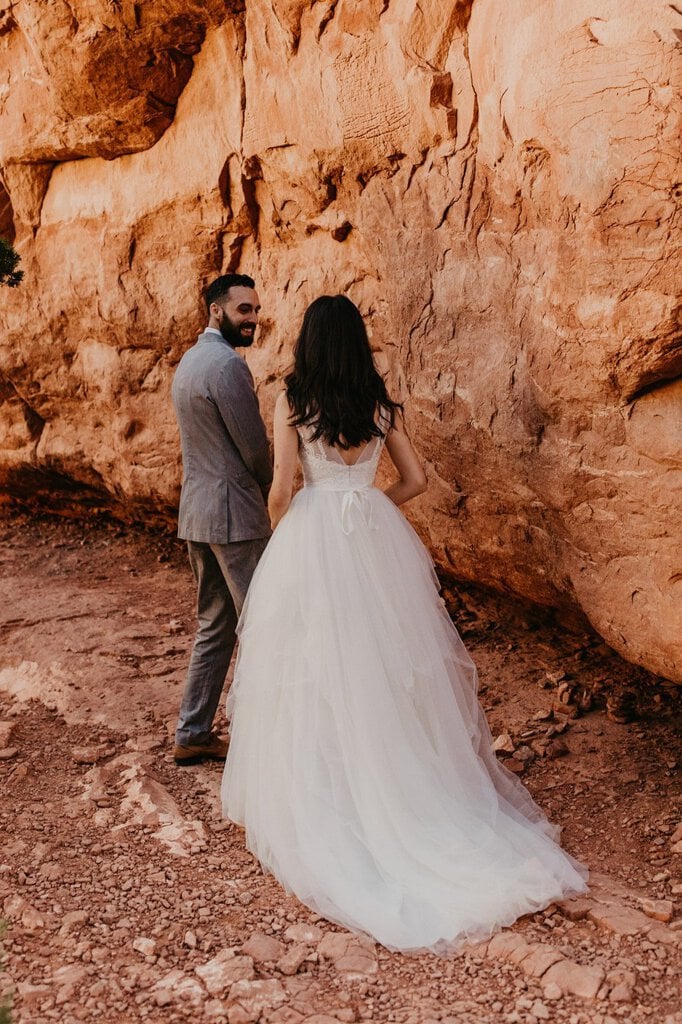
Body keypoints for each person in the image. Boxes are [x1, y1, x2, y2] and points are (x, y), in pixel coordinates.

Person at [221, 295, 588, 952]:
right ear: (356, 343)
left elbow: (282, 488)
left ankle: (330, 798)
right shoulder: (378, 402)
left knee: (312, 667)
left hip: (314, 542)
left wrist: (292, 531)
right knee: (389, 668)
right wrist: (369, 505)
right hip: (371, 535)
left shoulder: (294, 401)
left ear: (310, 343)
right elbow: (417, 479)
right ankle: (412, 789)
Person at [172, 274, 272, 766]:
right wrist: (276, 487)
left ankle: (192, 732)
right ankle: (265, 737)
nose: (253, 319)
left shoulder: (189, 362)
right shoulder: (228, 366)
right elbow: (253, 447)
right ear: (217, 311)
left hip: (197, 513)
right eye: (244, 310)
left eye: (255, 310)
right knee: (263, 622)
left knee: (215, 624)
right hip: (235, 517)